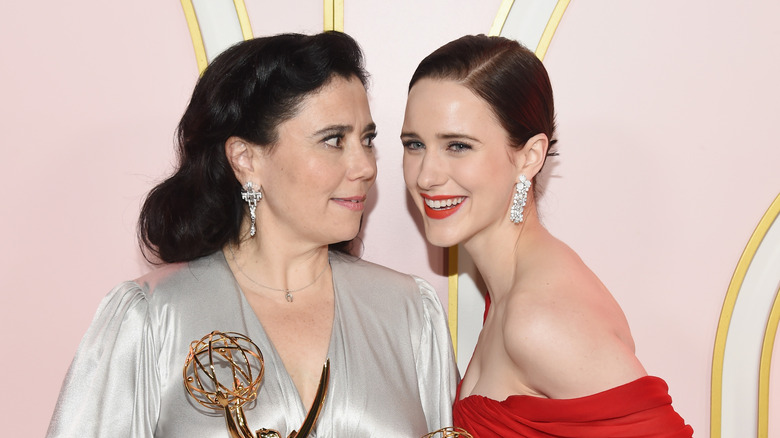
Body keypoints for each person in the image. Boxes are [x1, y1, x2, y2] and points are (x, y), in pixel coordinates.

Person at [47, 32, 458, 438]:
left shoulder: (409, 314)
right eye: (333, 140)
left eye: (366, 140)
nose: (365, 166)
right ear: (246, 159)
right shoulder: (153, 319)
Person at [401, 35, 693, 437]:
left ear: (529, 156)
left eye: (457, 145)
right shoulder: (513, 287)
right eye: (415, 144)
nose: (426, 175)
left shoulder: (538, 318)